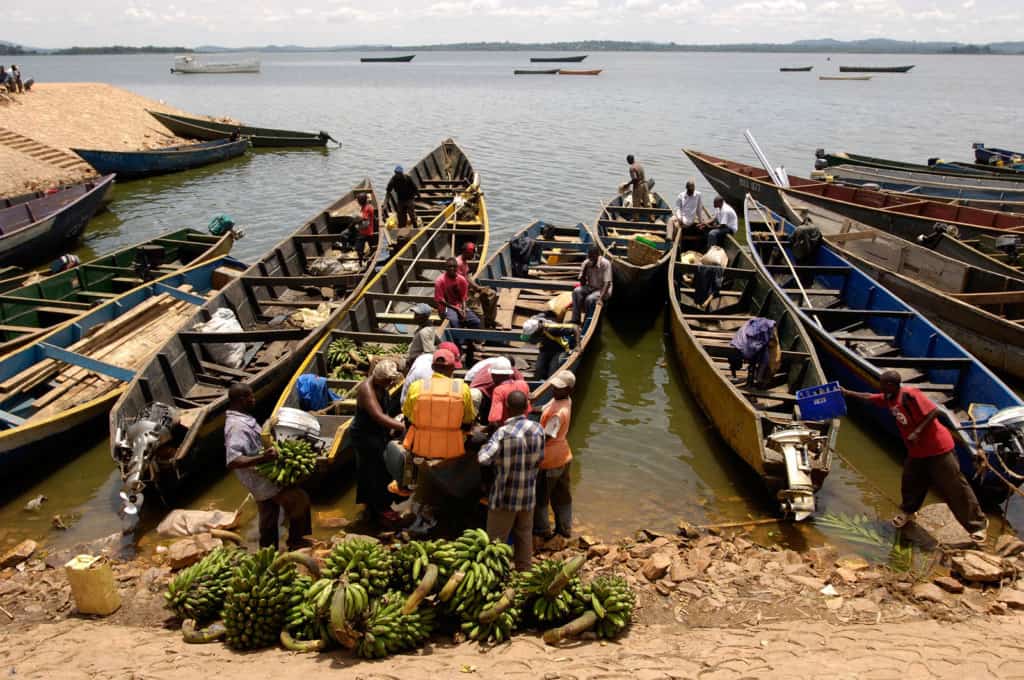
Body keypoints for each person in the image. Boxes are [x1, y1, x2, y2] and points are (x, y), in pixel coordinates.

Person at [841, 371, 987, 541]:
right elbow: (870, 397)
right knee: (911, 481)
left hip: (938, 448)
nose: (880, 385)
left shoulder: (910, 395)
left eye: (883, 383)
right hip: (917, 451)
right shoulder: (889, 397)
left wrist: (917, 431)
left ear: (892, 384)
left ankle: (978, 526)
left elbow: (935, 411)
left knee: (954, 486)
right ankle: (908, 512)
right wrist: (848, 392)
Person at [224, 383, 312, 550]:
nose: (253, 399)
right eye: (250, 396)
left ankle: (268, 550)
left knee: (269, 514)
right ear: (241, 399)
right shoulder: (236, 427)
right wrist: (263, 458)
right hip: (259, 475)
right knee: (299, 499)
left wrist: (268, 426)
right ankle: (295, 541)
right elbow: (233, 460)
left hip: (260, 473)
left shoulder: (243, 418)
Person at [478, 390, 546, 571]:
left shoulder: (502, 433)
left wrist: (483, 443)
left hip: (504, 497)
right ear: (526, 408)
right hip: (528, 496)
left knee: (496, 541)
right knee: (524, 536)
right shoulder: (538, 429)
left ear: (507, 409)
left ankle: (494, 574)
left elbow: (484, 459)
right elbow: (540, 458)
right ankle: (524, 573)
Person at [351, 360, 405, 525]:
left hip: (377, 433)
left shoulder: (381, 387)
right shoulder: (366, 389)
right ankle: (380, 507)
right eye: (387, 381)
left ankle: (373, 505)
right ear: (378, 378)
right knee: (376, 471)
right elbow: (378, 416)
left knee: (375, 470)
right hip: (365, 435)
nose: (390, 384)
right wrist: (402, 426)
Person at [400, 348, 476, 461]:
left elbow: (407, 416)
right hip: (452, 450)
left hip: (420, 448)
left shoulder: (416, 386)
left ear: (432, 367)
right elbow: (468, 421)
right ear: (453, 368)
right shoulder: (462, 388)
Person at [534, 371, 575, 539]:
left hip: (550, 460)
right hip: (564, 455)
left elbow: (547, 436)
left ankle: (542, 532)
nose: (554, 390)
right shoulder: (563, 400)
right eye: (554, 387)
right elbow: (544, 408)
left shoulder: (558, 414)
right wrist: (530, 408)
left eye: (559, 388)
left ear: (569, 390)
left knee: (541, 498)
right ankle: (565, 529)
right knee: (562, 495)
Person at [524, 313, 579, 381]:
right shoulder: (533, 325)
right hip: (545, 350)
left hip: (560, 350)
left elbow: (575, 327)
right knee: (538, 369)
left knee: (552, 372)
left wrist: (578, 346)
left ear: (537, 330)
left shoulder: (552, 328)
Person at [435, 257, 481, 330]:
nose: (452, 269)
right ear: (445, 268)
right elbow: (441, 300)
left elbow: (463, 297)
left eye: (454, 266)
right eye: (449, 266)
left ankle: (475, 339)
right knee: (455, 322)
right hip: (446, 307)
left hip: (459, 305)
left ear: (457, 268)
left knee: (476, 322)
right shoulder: (440, 281)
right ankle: (460, 341)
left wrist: (464, 309)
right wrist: (456, 309)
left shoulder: (462, 280)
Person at [571, 246, 612, 326]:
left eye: (592, 257)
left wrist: (600, 299)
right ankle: (575, 319)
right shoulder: (586, 263)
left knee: (589, 299)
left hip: (603, 289)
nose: (591, 259)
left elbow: (607, 283)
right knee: (576, 291)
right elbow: (582, 283)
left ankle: (587, 322)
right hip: (591, 287)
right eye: (589, 257)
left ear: (597, 255)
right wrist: (585, 270)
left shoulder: (605, 263)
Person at [386, 165, 419, 230]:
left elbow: (415, 187)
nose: (397, 175)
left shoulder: (407, 178)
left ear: (401, 173)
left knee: (411, 213)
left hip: (409, 198)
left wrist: (418, 195)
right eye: (396, 173)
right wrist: (385, 202)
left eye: (399, 174)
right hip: (401, 199)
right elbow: (388, 191)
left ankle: (415, 227)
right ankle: (402, 228)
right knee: (400, 215)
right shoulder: (393, 180)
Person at [405, 303, 437, 369]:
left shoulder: (424, 332)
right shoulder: (422, 328)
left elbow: (429, 353)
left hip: (415, 363)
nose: (414, 317)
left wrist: (412, 361)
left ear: (424, 316)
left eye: (417, 315)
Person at [355, 192, 376, 263]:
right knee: (372, 247)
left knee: (358, 248)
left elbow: (366, 223)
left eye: (358, 200)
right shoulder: (368, 206)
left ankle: (361, 262)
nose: (357, 202)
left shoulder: (366, 209)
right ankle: (371, 259)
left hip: (365, 232)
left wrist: (357, 227)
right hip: (369, 232)